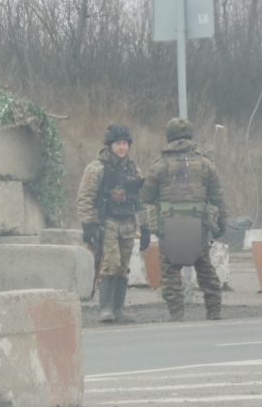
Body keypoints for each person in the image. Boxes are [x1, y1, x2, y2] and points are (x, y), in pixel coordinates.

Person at [139, 117, 228, 321]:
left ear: (169, 137)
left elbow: (146, 197)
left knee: (171, 272)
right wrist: (222, 222)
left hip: (169, 227)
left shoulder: (159, 165)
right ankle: (214, 311)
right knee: (205, 268)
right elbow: (217, 198)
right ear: (191, 135)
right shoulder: (206, 164)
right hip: (198, 226)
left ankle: (176, 314)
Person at [77, 123, 150, 323]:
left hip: (128, 224)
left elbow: (142, 200)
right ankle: (104, 309)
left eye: (125, 143)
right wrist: (87, 225)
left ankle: (118, 309)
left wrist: (145, 227)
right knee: (110, 264)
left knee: (124, 266)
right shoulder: (97, 168)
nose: (122, 147)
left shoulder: (134, 169)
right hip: (106, 222)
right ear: (110, 145)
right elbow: (85, 197)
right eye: (118, 143)